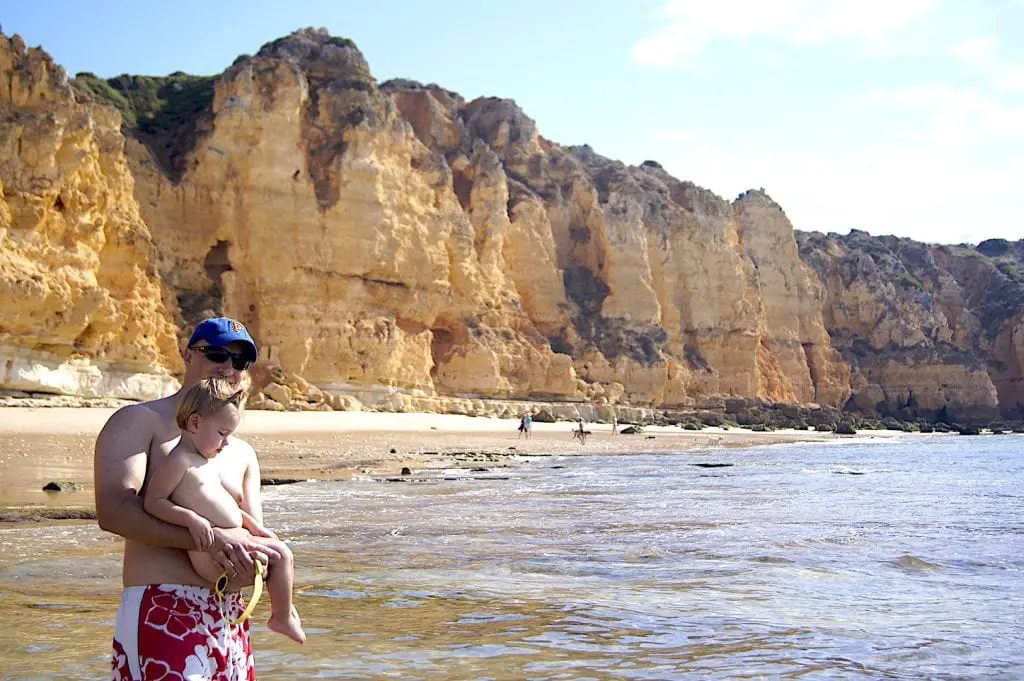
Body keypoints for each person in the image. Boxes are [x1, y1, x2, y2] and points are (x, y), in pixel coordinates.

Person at [96, 318, 282, 680]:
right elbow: (114, 511)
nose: (228, 367)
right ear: (186, 355)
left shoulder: (240, 451)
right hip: (162, 605)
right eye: (216, 354)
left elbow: (250, 532)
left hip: (230, 616)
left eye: (240, 362)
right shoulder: (139, 421)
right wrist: (211, 539)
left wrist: (253, 564)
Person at [144, 376, 305, 644]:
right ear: (195, 423)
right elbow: (154, 501)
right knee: (282, 556)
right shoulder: (178, 460)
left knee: (280, 553)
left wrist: (254, 526)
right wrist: (191, 520)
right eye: (222, 434)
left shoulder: (206, 460)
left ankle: (284, 609)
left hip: (232, 545)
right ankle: (282, 616)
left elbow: (228, 506)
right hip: (212, 555)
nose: (227, 443)